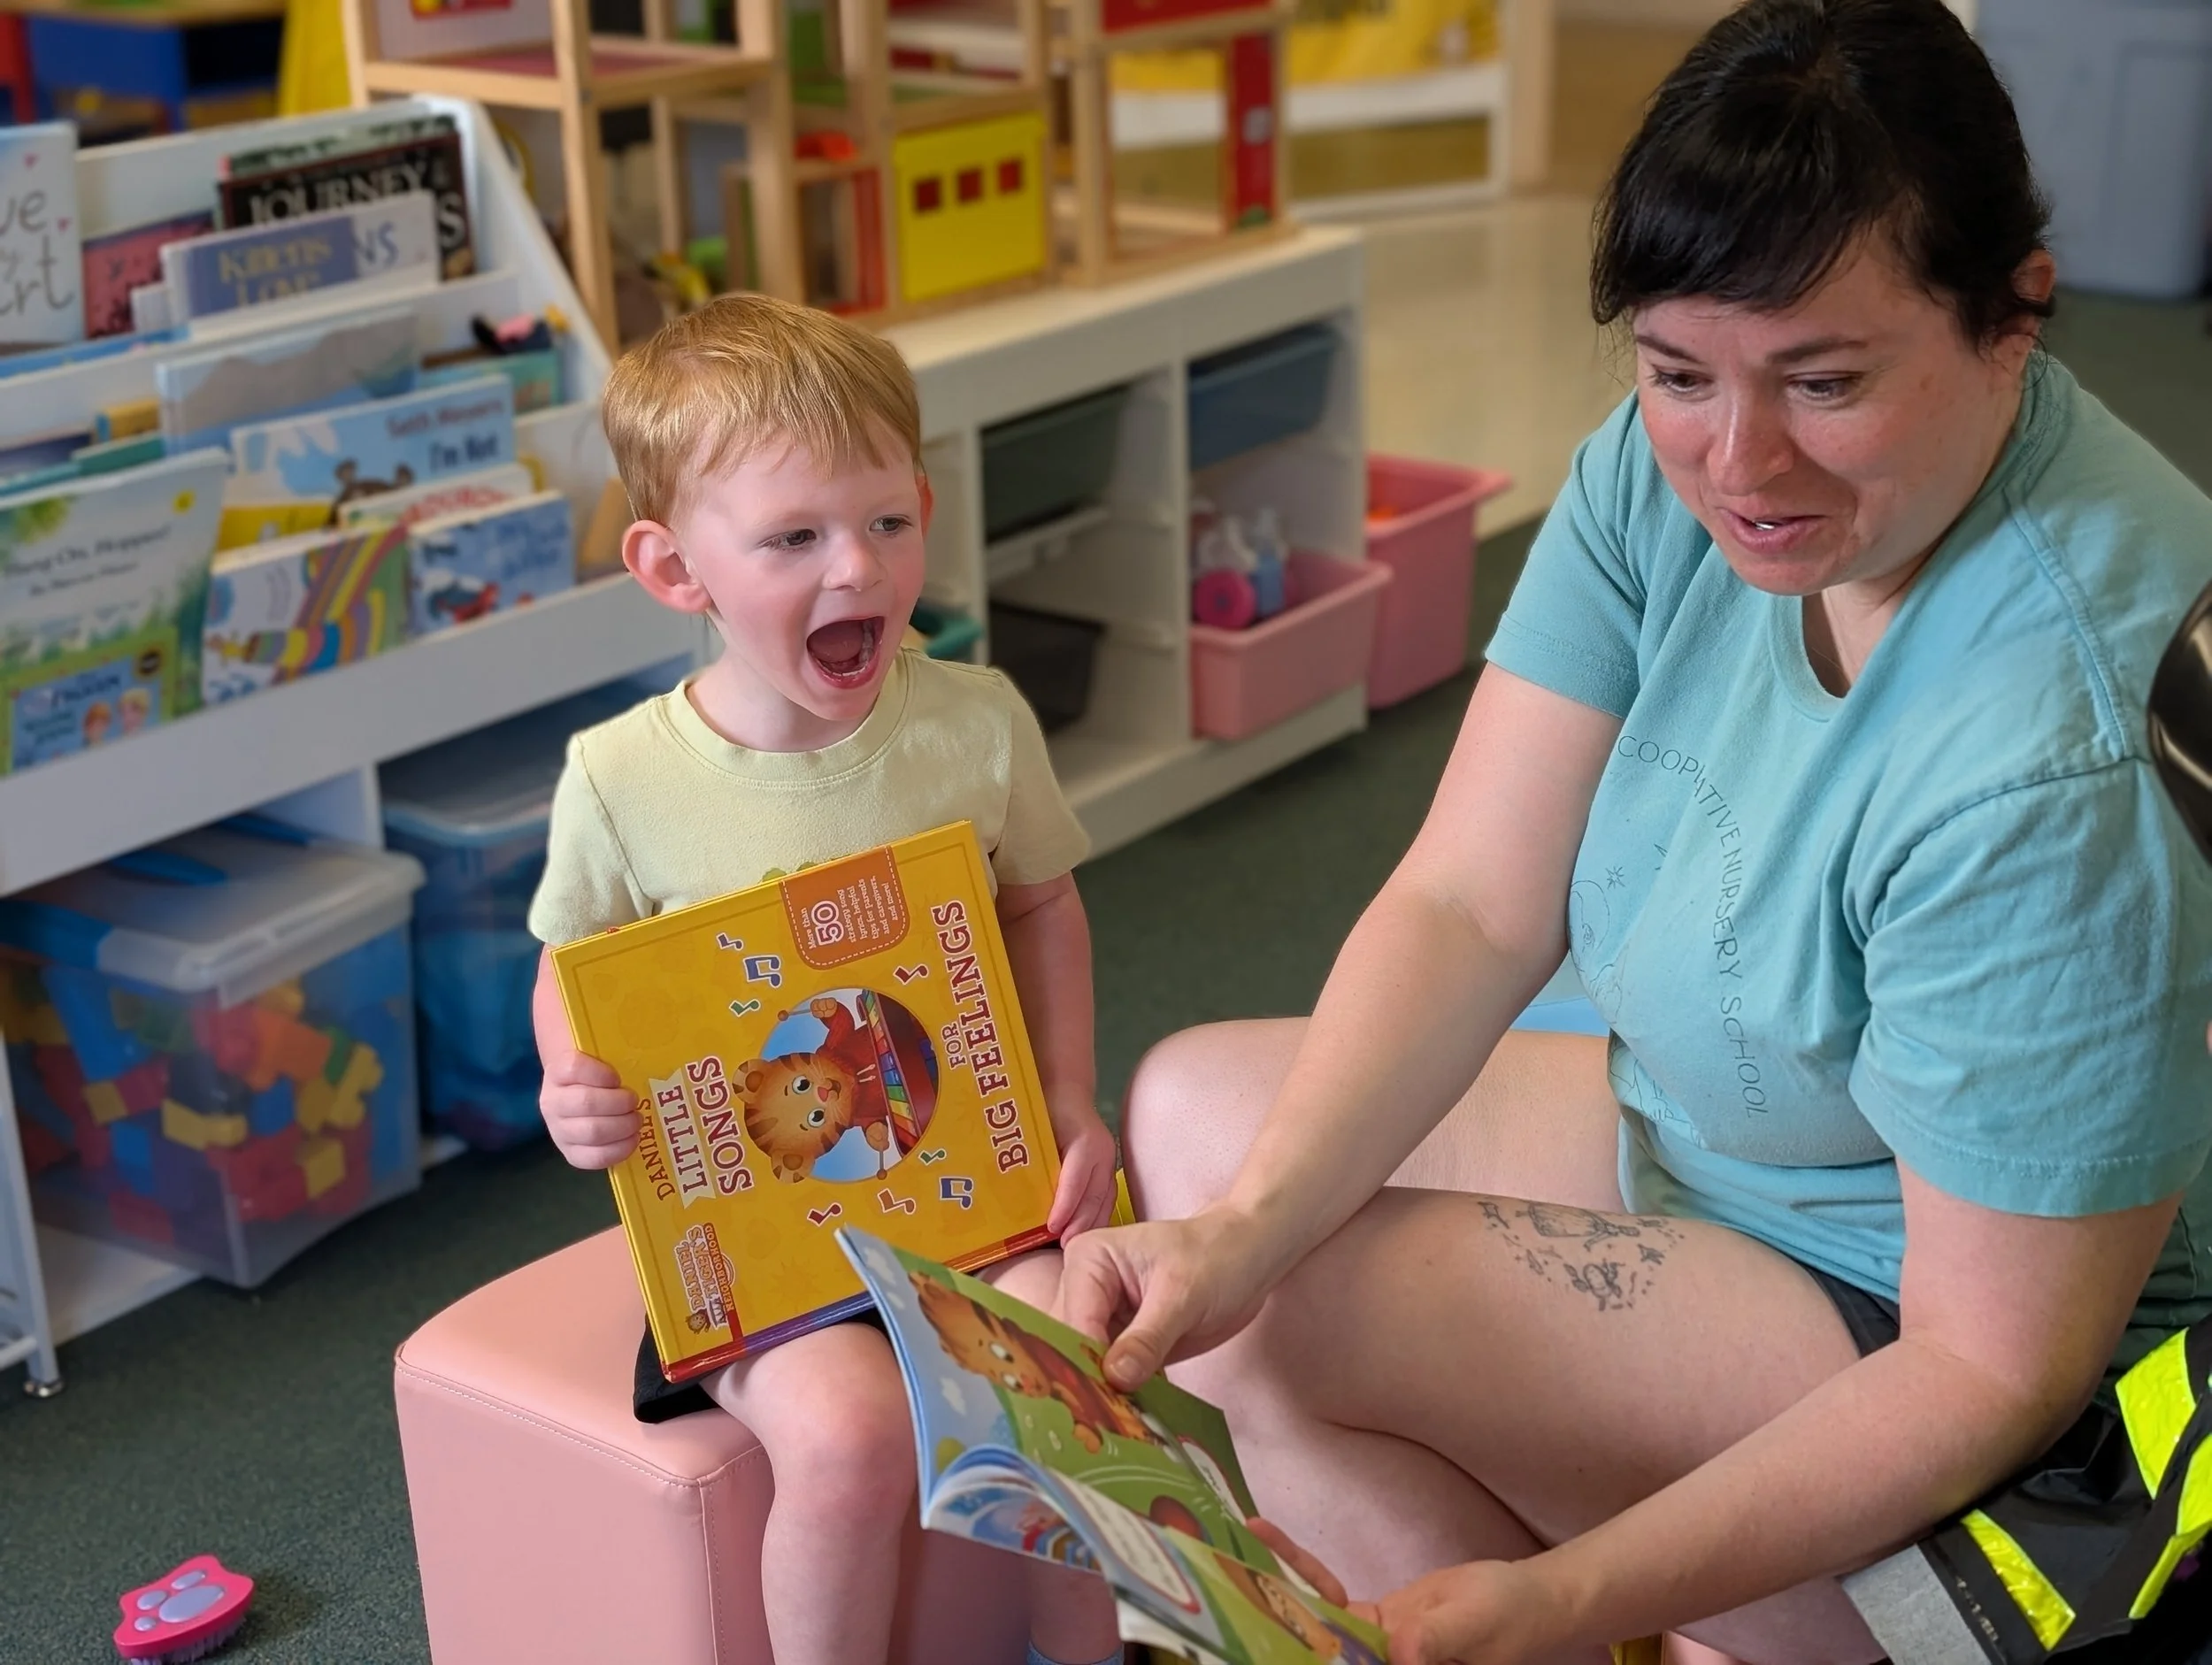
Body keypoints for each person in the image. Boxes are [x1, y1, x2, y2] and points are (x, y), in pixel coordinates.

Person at [1058, 4, 2212, 1662]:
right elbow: (1467, 899)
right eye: (1679, 374)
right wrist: (1242, 1228)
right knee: (1204, 1137)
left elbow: (1993, 1367)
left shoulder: (2051, 744)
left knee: (1290, 1329)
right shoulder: (1666, 465)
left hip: (1987, 1403)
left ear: (2014, 317)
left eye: (1827, 382)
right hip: (1736, 1136)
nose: (1738, 461)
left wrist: (1566, 1594)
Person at [526, 293, 1123, 1665]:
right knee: (849, 1439)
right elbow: (575, 970)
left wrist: (1072, 1097)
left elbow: (1041, 905)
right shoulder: (618, 779)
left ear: (923, 504)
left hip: (966, 1182)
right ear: (677, 569)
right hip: (754, 1237)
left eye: (887, 522)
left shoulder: (975, 723)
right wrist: (572, 1075)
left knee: (1073, 1373)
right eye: (795, 537)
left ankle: (1087, 1651)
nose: (856, 567)